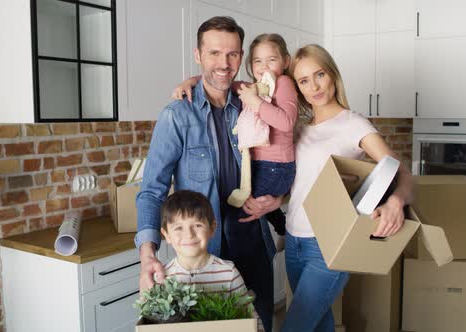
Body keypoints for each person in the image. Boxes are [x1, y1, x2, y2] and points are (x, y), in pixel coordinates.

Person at [243, 44, 415, 332]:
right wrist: (277, 201)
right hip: (295, 241)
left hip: (329, 246)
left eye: (320, 74)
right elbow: (302, 181)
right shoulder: (300, 127)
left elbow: (401, 172)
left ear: (333, 74)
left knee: (294, 327)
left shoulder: (353, 124)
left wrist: (396, 202)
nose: (315, 86)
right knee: (319, 324)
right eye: (304, 80)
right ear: (295, 87)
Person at [135, 16, 275, 332]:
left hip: (253, 245)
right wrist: (148, 256)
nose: (224, 64)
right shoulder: (176, 115)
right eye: (214, 53)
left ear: (242, 57)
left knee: (259, 325)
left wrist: (276, 198)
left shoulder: (253, 105)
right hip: (202, 254)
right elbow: (151, 191)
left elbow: (282, 160)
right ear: (198, 55)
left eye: (233, 54)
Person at [173, 33, 298, 243]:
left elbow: (286, 122)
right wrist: (190, 81)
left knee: (241, 213)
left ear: (286, 61)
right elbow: (220, 81)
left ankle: (285, 232)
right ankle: (283, 227)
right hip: (265, 165)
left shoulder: (283, 83)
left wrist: (254, 101)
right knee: (255, 207)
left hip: (275, 166)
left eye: (272, 60)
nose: (264, 66)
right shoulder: (255, 87)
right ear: (250, 64)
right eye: (258, 61)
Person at [160, 190, 247, 295]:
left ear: (212, 228)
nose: (189, 235)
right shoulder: (161, 278)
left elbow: (247, 312)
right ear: (166, 235)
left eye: (197, 225)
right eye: (179, 228)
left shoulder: (229, 274)